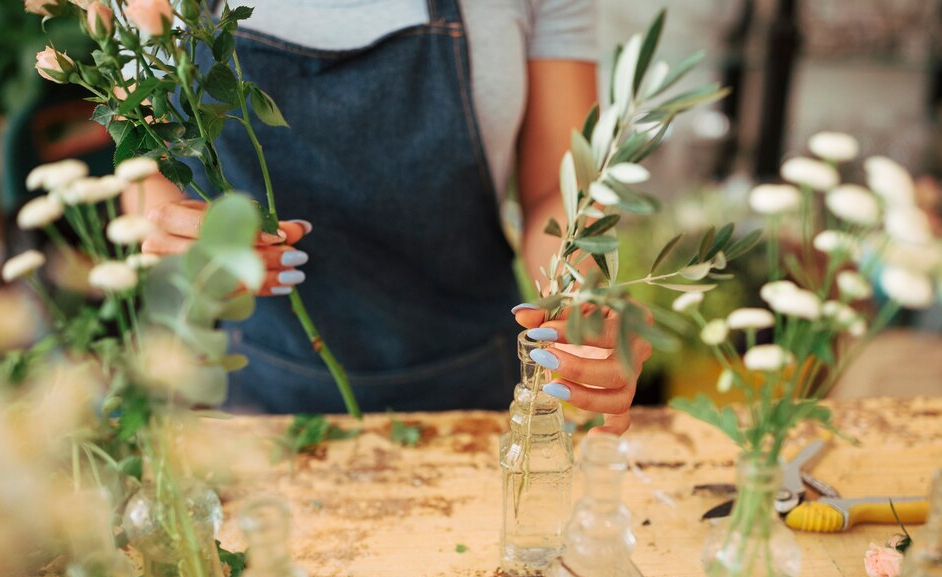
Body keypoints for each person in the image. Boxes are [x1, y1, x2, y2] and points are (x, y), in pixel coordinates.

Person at [131, 0, 649, 435]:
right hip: (258, 408)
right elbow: (145, 177)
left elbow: (556, 194)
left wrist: (581, 298)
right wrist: (180, 242)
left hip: (473, 405)